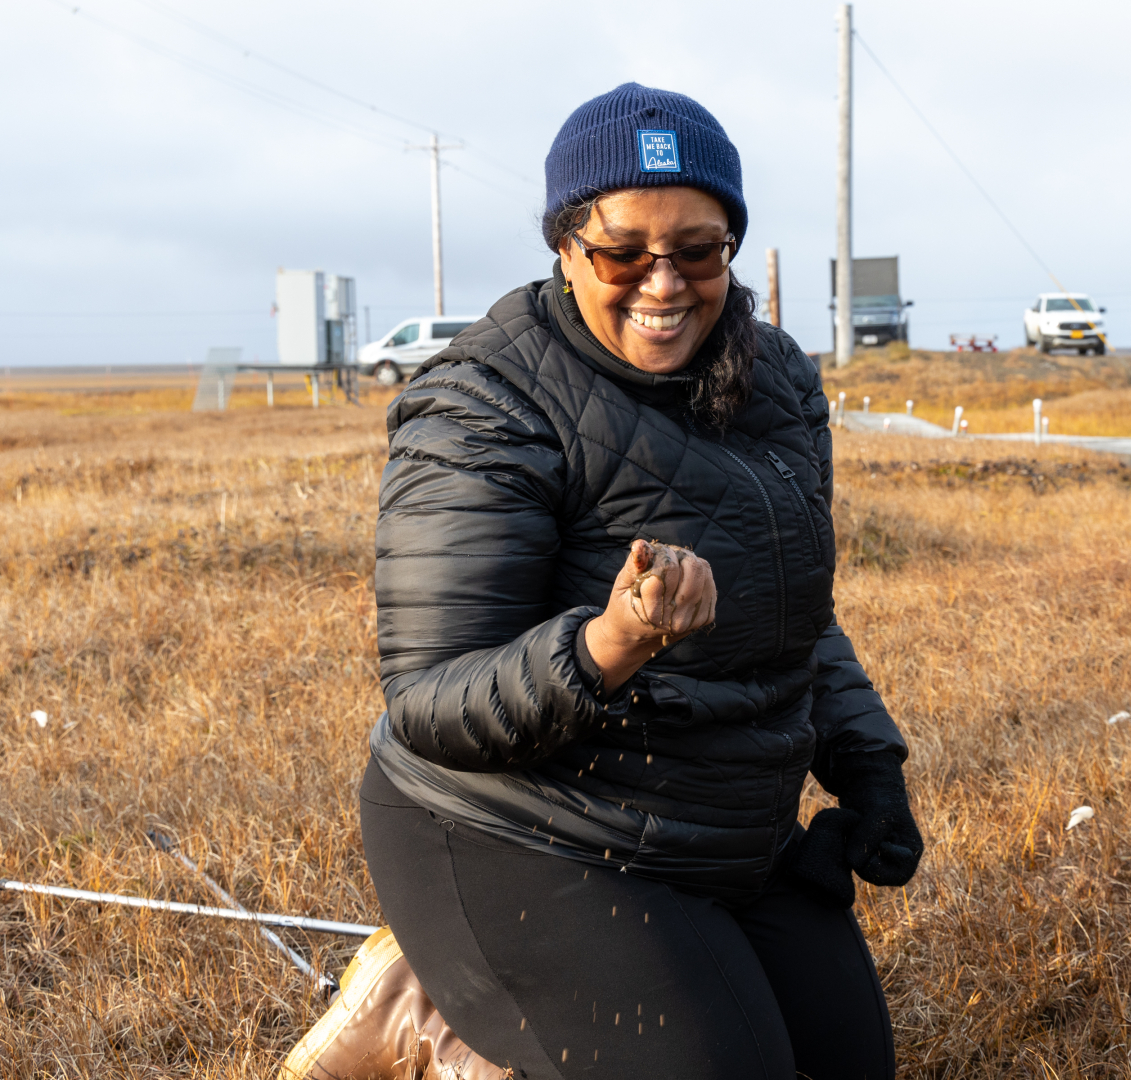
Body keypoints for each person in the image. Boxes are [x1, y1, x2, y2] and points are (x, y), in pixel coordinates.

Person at [282, 82, 922, 1080]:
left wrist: (869, 766)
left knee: (850, 1066)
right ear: (566, 247)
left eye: (698, 250)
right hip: (514, 828)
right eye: (624, 251)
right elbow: (430, 702)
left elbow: (799, 619)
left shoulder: (779, 383)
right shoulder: (484, 401)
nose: (663, 283)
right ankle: (429, 1020)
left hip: (718, 830)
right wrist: (613, 641)